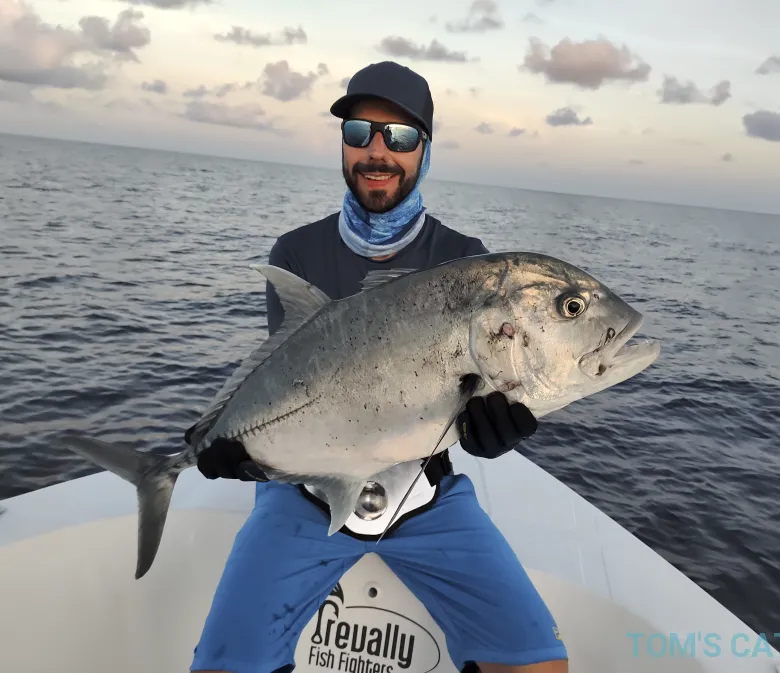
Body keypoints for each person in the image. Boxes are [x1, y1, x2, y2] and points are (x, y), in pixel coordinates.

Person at [189, 60, 569, 673]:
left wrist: (494, 425)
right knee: (226, 666)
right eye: (360, 131)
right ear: (343, 142)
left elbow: (473, 391)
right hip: (305, 492)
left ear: (425, 150)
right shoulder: (297, 252)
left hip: (425, 490)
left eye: (400, 136)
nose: (378, 150)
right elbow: (285, 386)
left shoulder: (463, 260)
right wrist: (236, 441)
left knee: (539, 666)